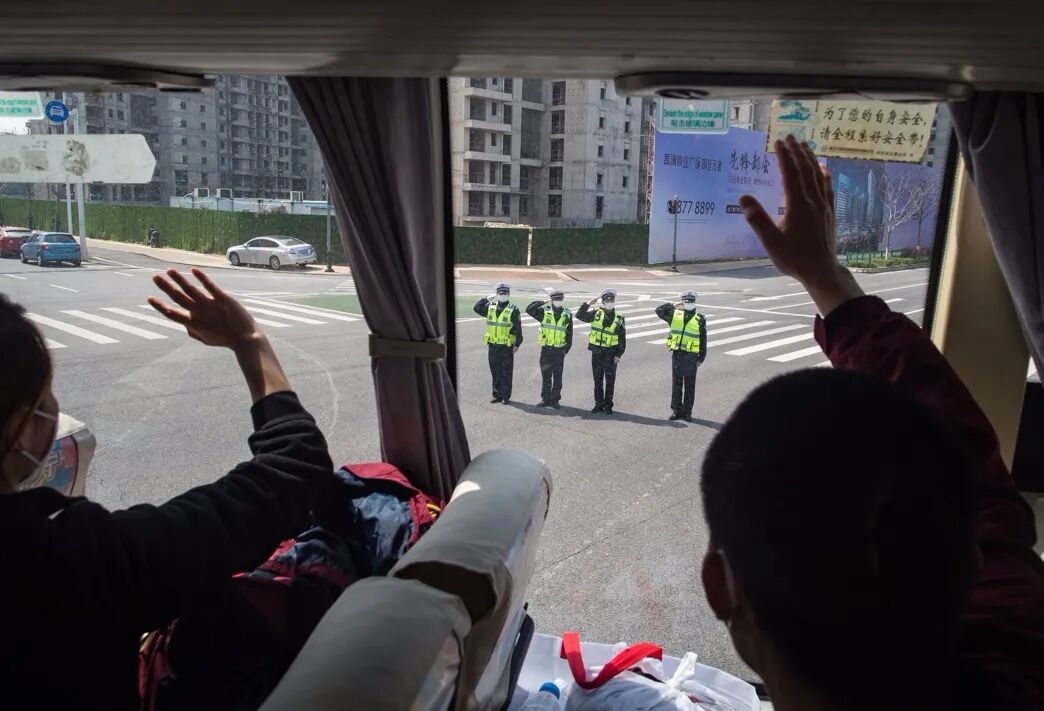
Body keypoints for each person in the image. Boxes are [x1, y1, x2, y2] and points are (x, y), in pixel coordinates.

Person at [700, 137, 1044, 710]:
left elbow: (974, 479)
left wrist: (825, 279)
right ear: (972, 564)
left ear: (721, 587)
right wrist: (828, 280)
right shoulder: (1021, 655)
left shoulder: (1015, 624)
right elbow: (969, 479)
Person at [0, 268, 335, 708]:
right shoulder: (80, 559)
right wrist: (250, 341)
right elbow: (294, 470)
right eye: (46, 398)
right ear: (20, 428)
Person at [655, 290, 707, 421]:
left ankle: (687, 412)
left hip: (691, 357)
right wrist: (673, 305)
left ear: (695, 303)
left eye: (691, 301)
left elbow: (703, 339)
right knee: (676, 384)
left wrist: (701, 358)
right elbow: (659, 311)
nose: (689, 303)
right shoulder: (675, 315)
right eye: (686, 301)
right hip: (677, 355)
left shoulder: (700, 318)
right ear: (683, 303)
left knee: (689, 386)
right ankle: (676, 411)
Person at [576, 288, 626, 415]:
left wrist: (618, 354)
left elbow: (622, 338)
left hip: (611, 353)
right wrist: (588, 304)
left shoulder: (619, 317)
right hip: (597, 351)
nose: (610, 302)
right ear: (603, 302)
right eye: (607, 300)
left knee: (610, 381)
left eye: (612, 300)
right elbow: (579, 315)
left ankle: (608, 405)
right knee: (597, 380)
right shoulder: (596, 313)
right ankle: (598, 404)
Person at [474, 282, 523, 404]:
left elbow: (518, 328)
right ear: (497, 294)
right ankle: (497, 395)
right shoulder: (490, 307)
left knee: (506, 372)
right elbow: (477, 308)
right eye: (501, 293)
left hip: (506, 346)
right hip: (493, 345)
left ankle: (506, 396)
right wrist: (485, 299)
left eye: (505, 293)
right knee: (495, 370)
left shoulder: (513, 310)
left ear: (509, 294)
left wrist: (517, 344)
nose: (503, 295)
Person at [526, 289, 573, 408]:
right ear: (552, 300)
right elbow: (529, 309)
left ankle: (555, 400)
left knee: (558, 376)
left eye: (560, 299)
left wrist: (566, 350)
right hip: (546, 349)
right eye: (556, 299)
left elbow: (569, 334)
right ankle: (545, 399)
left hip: (559, 350)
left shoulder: (567, 314)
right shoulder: (544, 312)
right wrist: (542, 302)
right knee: (546, 376)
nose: (558, 301)